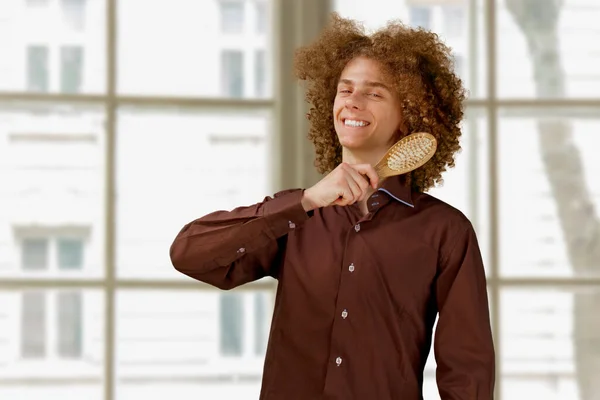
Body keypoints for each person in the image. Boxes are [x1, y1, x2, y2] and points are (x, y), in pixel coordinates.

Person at [170, 13, 495, 400]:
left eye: (374, 93)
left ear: (409, 115)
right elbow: (189, 255)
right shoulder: (295, 214)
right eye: (345, 90)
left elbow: (467, 370)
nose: (353, 102)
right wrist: (306, 200)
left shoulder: (444, 231)